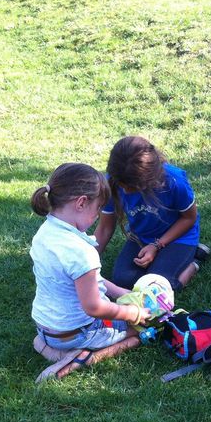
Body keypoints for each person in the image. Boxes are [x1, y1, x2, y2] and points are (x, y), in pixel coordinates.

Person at [30, 163, 149, 382]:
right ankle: (84, 358)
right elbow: (94, 307)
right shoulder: (82, 251)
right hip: (78, 332)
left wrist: (120, 292)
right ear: (82, 203)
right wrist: (134, 314)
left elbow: (86, 280)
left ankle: (50, 351)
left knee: (39, 341)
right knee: (144, 329)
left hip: (47, 329)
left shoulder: (44, 234)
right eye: (97, 210)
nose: (97, 217)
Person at [95, 136, 208, 292]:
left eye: (132, 187)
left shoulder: (174, 181)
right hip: (141, 238)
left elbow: (189, 218)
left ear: (150, 179)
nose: (126, 191)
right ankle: (168, 261)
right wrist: (87, 262)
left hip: (179, 236)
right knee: (122, 280)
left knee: (158, 288)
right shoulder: (112, 183)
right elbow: (104, 228)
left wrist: (156, 245)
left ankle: (195, 262)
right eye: (123, 186)